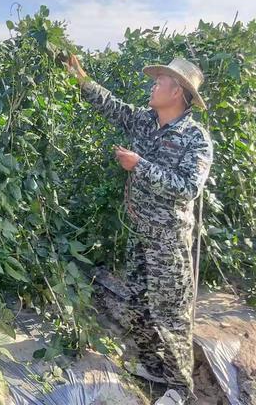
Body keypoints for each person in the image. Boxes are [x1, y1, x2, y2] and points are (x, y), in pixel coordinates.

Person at [65, 56, 213, 405]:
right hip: (140, 234)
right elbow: (114, 108)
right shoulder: (146, 121)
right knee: (138, 304)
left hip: (168, 241)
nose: (152, 85)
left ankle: (180, 389)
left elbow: (188, 187)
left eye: (159, 81)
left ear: (176, 91)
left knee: (170, 314)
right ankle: (152, 367)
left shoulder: (195, 138)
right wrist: (83, 80)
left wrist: (140, 165)